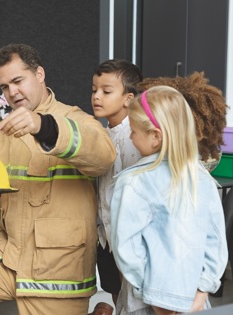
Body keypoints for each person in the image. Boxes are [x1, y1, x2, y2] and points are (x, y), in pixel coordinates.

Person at [0, 43, 116, 315]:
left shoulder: (75, 119)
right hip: (7, 257)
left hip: (56, 268)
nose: (12, 92)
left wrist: (43, 126)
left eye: (17, 81)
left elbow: (103, 156)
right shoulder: (0, 135)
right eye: (4, 87)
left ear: (39, 74)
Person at [110, 86, 228, 315]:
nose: (130, 136)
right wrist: (203, 291)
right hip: (194, 301)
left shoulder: (133, 182)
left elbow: (126, 249)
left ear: (155, 136)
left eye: (133, 130)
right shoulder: (202, 178)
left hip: (145, 302)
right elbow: (215, 242)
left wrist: (156, 298)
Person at [90, 59, 143, 312]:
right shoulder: (101, 134)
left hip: (128, 236)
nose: (96, 97)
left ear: (128, 98)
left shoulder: (136, 138)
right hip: (106, 236)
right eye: (94, 90)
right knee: (115, 292)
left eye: (106, 91)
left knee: (132, 299)